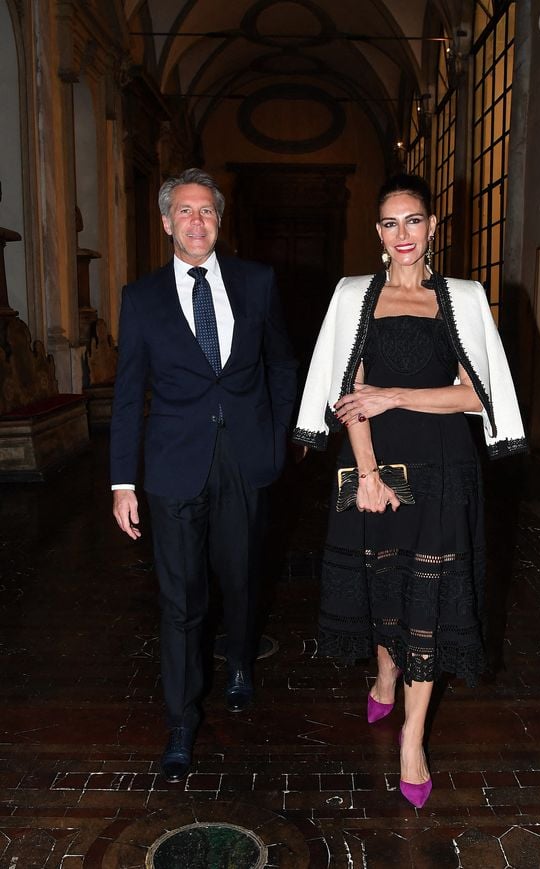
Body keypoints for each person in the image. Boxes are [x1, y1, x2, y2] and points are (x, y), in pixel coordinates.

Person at [293, 173, 526, 809]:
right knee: (382, 581)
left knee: (431, 596)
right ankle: (386, 673)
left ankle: (412, 741)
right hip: (373, 460)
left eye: (414, 221)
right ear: (378, 231)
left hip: (447, 468)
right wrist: (366, 473)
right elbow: (348, 389)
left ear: (431, 227)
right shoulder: (352, 297)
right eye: (391, 223)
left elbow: (477, 396)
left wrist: (396, 395)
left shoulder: (464, 297)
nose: (403, 235)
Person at [110, 168, 297, 783]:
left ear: (220, 220)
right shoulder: (141, 299)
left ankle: (240, 662)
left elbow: (281, 364)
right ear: (166, 222)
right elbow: (128, 392)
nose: (196, 222)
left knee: (241, 578)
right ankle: (181, 721)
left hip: (244, 458)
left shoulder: (257, 282)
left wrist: (277, 440)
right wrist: (122, 482)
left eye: (207, 212)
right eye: (185, 212)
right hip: (172, 467)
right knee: (180, 600)